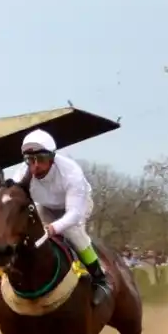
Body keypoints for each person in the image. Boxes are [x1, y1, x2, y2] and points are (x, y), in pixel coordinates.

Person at [19, 129, 111, 306]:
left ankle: (100, 280)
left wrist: (53, 228)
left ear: (52, 158)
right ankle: (3, 280)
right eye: (30, 160)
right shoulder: (22, 174)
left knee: (72, 231)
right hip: (46, 206)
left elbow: (73, 214)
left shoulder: (71, 173)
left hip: (78, 205)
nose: (35, 166)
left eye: (41, 159)